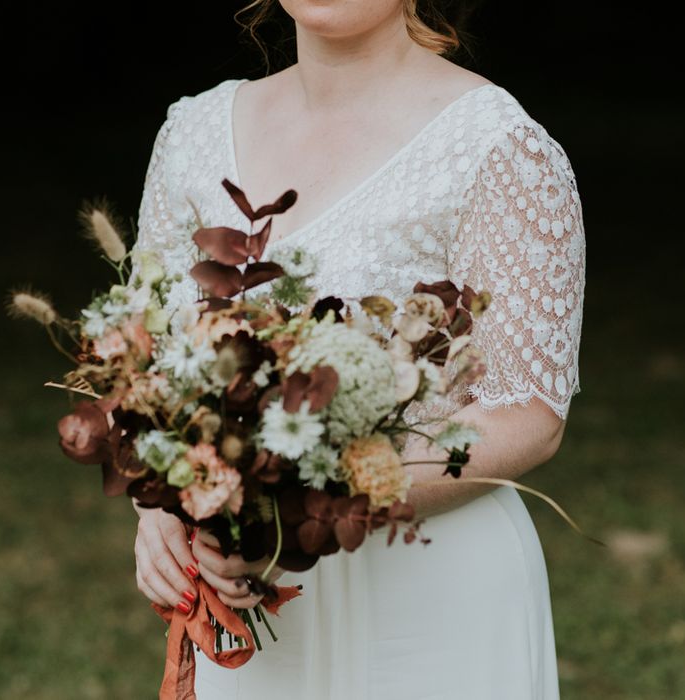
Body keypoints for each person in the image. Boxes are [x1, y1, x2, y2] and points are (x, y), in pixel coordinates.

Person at [131, 1, 585, 697]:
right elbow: (148, 363)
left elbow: (529, 414)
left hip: (430, 597)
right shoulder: (193, 133)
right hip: (248, 604)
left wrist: (311, 498)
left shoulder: (496, 146)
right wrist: (162, 500)